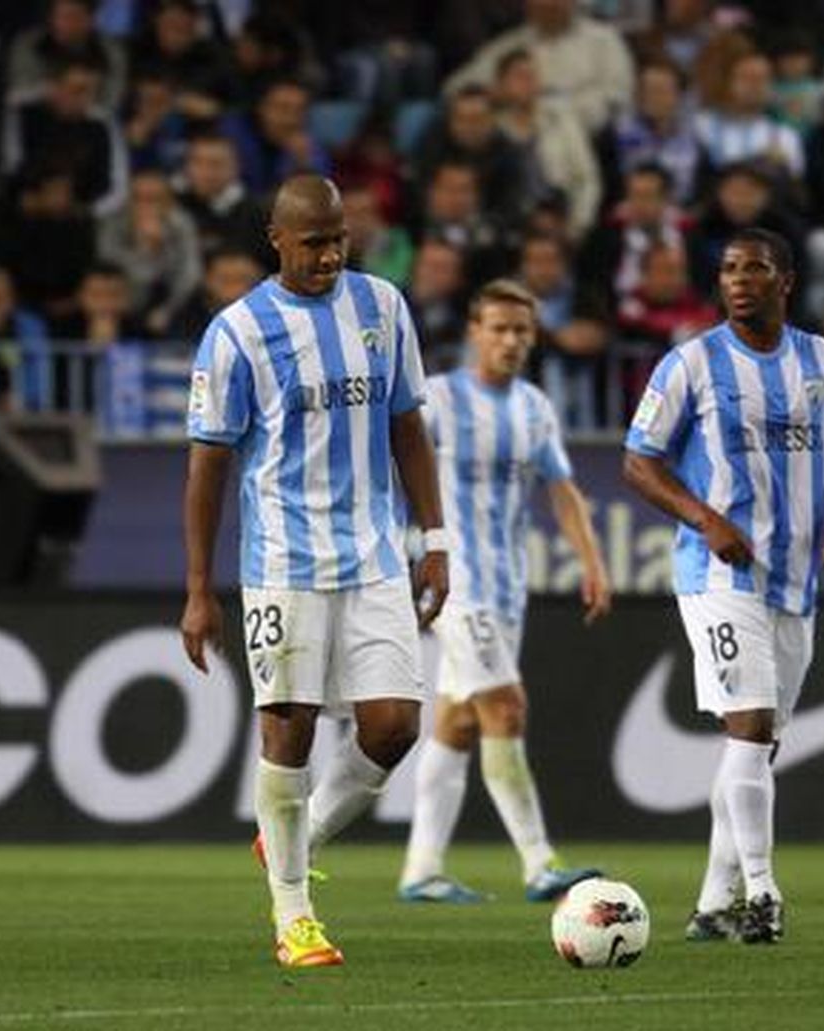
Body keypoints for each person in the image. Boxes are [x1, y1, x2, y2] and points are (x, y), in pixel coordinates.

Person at [180, 174, 449, 968]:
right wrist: (199, 589)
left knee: (395, 725)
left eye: (339, 238)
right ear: (277, 239)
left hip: (373, 554)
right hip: (283, 562)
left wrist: (435, 538)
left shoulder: (383, 308)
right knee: (288, 725)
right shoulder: (236, 333)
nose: (331, 254)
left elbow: (407, 428)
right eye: (314, 242)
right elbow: (206, 469)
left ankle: (293, 835)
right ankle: (294, 915)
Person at [623, 228, 824, 945]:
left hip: (795, 581)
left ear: (786, 281)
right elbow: (639, 461)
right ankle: (763, 893)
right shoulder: (692, 363)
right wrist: (705, 516)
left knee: (756, 746)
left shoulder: (822, 361)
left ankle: (713, 902)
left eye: (756, 269)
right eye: (729, 269)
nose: (740, 279)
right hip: (717, 575)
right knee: (749, 725)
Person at [397, 279, 612, 905]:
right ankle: (540, 863)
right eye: (500, 328)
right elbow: (396, 471)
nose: (512, 341)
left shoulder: (535, 408)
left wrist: (593, 561)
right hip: (455, 583)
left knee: (459, 723)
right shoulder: (436, 400)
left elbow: (562, 489)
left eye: (522, 331)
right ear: (475, 331)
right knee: (507, 707)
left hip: (507, 586)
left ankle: (422, 870)